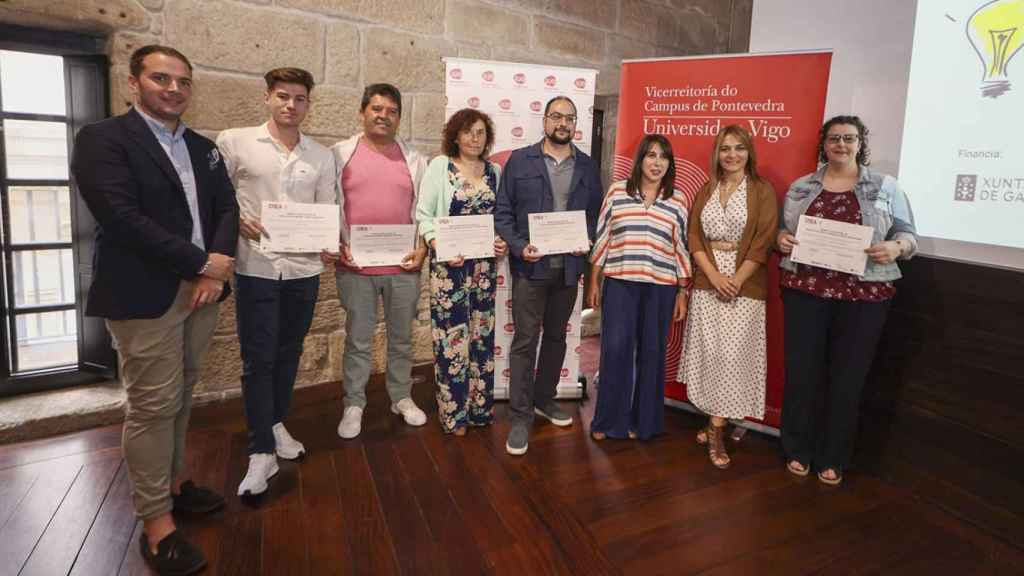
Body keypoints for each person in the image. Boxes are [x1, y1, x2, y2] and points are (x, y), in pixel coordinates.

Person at [71, 45, 239, 575]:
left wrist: (217, 264)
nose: (173, 89)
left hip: (202, 294)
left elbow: (227, 208)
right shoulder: (103, 140)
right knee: (151, 406)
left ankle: (173, 483)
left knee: (182, 392)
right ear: (134, 82)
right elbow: (122, 218)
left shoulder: (203, 147)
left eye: (183, 81)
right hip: (145, 294)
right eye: (161, 78)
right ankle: (156, 524)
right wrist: (201, 262)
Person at [777, 115, 917, 486]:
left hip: (864, 297)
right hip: (806, 291)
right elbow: (784, 231)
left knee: (847, 379)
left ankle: (832, 457)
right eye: (834, 138)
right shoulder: (801, 187)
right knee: (802, 375)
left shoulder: (886, 187)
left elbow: (908, 235)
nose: (841, 144)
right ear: (823, 143)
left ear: (860, 143)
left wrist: (896, 246)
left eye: (849, 138)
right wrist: (781, 240)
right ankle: (796, 449)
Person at [216, 68, 337, 496]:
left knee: (289, 353)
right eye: (283, 96)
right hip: (257, 268)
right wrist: (236, 221)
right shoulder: (235, 142)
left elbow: (327, 208)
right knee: (258, 359)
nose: (291, 104)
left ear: (308, 103)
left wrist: (328, 242)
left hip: (304, 271)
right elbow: (216, 197)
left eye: (300, 98)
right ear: (268, 97)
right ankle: (260, 451)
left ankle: (275, 423)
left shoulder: (321, 156)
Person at [494, 95, 604, 455]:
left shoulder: (587, 166)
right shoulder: (520, 161)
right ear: (544, 120)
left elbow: (594, 216)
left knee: (556, 337)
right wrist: (518, 245)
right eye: (556, 116)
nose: (563, 123)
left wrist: (585, 240)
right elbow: (503, 213)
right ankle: (521, 416)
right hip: (531, 267)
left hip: (568, 270)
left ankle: (544, 398)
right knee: (526, 341)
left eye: (569, 118)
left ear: (576, 125)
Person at [326, 83, 429, 439]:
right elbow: (326, 206)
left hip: (403, 268)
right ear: (362, 112)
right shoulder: (339, 155)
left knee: (402, 338)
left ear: (399, 117)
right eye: (377, 109)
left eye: (392, 111)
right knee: (358, 339)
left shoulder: (415, 158)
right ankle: (353, 403)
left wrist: (423, 249)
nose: (384, 116)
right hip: (356, 268)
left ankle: (400, 396)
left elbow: (425, 213)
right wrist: (337, 243)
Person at [679, 125, 778, 468]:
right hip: (709, 283)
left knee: (733, 358)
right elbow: (693, 236)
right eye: (725, 149)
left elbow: (763, 241)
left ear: (749, 152)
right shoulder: (707, 189)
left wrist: (734, 279)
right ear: (717, 154)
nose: (732, 154)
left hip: (744, 285)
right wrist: (714, 276)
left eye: (738, 148)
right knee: (710, 353)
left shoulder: (761, 190)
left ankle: (717, 429)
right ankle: (714, 419)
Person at [587, 134, 691, 441]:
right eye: (651, 155)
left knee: (652, 351)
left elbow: (681, 248)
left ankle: (643, 423)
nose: (657, 162)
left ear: (669, 164)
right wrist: (594, 280)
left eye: (663, 157)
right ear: (640, 159)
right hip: (620, 283)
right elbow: (603, 237)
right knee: (615, 351)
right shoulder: (618, 192)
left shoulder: (679, 200)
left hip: (661, 288)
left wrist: (683, 291)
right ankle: (608, 422)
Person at [415, 109, 507, 435]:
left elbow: (502, 218)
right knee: (452, 342)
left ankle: (480, 410)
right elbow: (424, 214)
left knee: (482, 339)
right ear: (455, 135)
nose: (474, 138)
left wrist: (501, 242)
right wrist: (437, 242)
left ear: (487, 137)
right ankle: (454, 414)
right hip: (448, 269)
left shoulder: (496, 171)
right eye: (467, 132)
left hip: (483, 269)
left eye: (480, 132)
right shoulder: (440, 167)